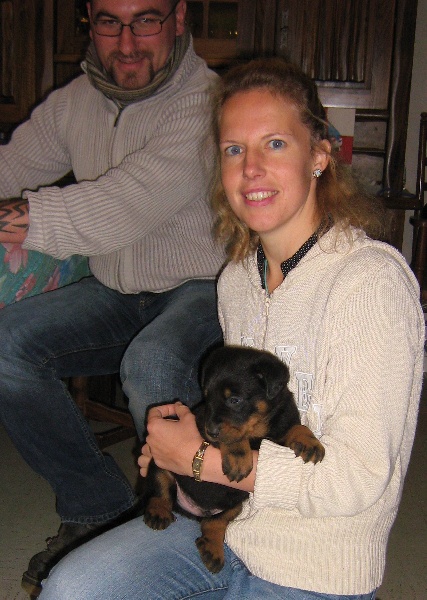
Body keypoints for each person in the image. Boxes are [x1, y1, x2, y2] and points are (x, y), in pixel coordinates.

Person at [38, 58, 424, 600]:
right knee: (70, 589)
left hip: (316, 565)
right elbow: (244, 419)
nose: (251, 169)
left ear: (319, 155)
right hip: (232, 524)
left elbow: (356, 481)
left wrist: (200, 459)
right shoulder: (238, 279)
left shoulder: (371, 283)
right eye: (234, 150)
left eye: (275, 144)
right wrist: (181, 443)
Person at [0, 0, 224, 596]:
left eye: (145, 20)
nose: (126, 43)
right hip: (118, 291)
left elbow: (120, 208)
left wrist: (19, 219)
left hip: (202, 287)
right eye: (108, 22)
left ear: (178, 18)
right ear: (90, 22)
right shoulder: (76, 101)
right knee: (7, 345)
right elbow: (11, 166)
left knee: (152, 364)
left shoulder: (208, 103)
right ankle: (96, 508)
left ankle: (185, 537)